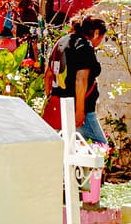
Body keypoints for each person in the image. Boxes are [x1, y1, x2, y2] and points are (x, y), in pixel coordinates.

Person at [45, 14, 109, 144]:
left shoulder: (61, 42)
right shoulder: (84, 46)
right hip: (79, 109)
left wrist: (51, 99)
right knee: (101, 148)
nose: (99, 42)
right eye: (101, 38)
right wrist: (80, 111)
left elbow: (48, 75)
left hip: (59, 108)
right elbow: (81, 80)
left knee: (65, 150)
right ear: (96, 33)